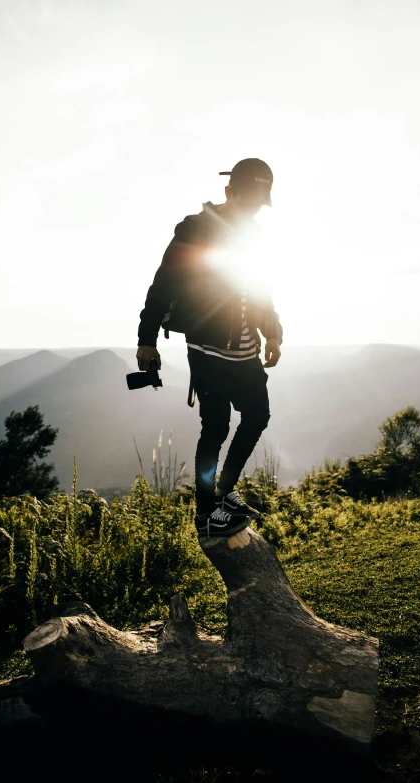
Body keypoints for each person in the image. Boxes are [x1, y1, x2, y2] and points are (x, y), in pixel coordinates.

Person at [136, 158, 283, 538]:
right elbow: (164, 284)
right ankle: (205, 515)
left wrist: (274, 333)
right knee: (215, 428)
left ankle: (224, 490)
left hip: (246, 351)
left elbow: (262, 289)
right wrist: (146, 338)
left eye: (257, 204)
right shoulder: (196, 230)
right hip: (207, 350)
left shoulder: (255, 235)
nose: (251, 210)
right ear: (228, 191)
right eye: (246, 200)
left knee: (257, 417)